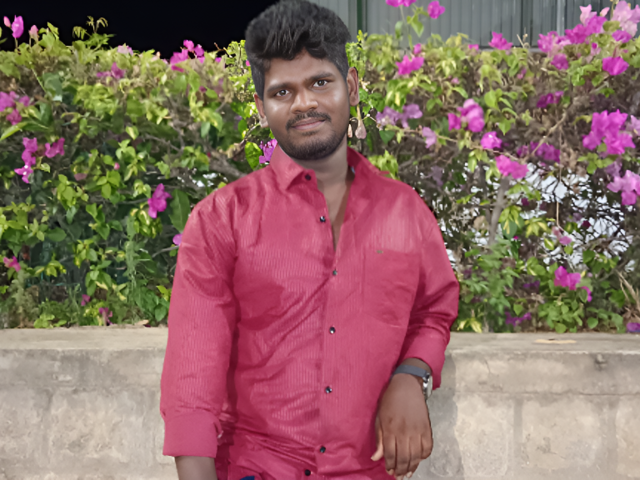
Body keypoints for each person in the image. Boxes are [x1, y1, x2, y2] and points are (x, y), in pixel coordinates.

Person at [159, 1, 459, 479]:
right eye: (283, 91)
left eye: (320, 82)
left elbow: (434, 309)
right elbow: (193, 381)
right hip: (258, 467)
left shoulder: (405, 213)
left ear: (351, 87)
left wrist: (412, 374)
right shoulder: (222, 220)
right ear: (262, 108)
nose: (304, 103)